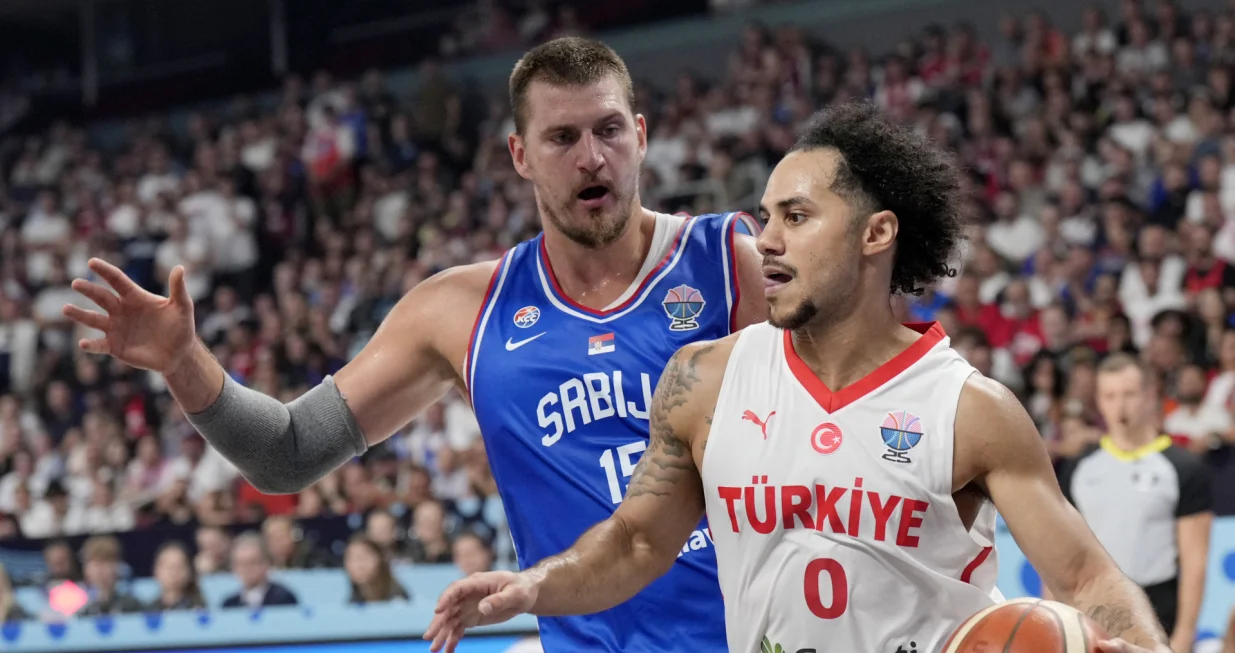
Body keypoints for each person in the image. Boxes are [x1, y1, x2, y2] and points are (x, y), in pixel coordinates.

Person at [63, 36, 764, 652]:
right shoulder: (458, 309)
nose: (591, 157)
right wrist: (185, 362)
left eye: (609, 130)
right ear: (519, 154)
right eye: (562, 138)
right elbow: (288, 452)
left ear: (640, 135)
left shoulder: (730, 262)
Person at [422, 101, 1174, 653]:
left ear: (875, 233)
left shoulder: (967, 408)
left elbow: (1086, 578)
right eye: (763, 216)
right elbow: (637, 544)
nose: (767, 240)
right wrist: (531, 587)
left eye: (796, 216)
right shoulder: (703, 379)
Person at [1056, 354, 1213, 653]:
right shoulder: (1078, 469)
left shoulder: (1183, 468)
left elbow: (1195, 563)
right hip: (1091, 611)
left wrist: (1184, 635)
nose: (1120, 406)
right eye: (1110, 396)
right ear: (1098, 401)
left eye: (1129, 394)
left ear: (1150, 395)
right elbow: (1060, 554)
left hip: (1158, 611)